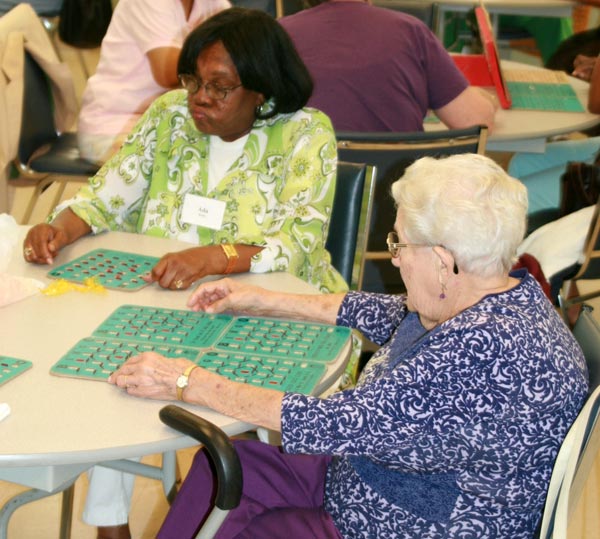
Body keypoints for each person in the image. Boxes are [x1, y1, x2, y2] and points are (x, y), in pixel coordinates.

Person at [109, 153, 589, 539]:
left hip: (398, 523)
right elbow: (386, 313)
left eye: (400, 245)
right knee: (230, 466)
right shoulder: (500, 291)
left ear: (445, 262)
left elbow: (325, 423)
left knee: (246, 523)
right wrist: (265, 300)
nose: (396, 259)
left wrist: (185, 380)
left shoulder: (479, 354)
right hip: (373, 482)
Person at [23, 8, 347, 538]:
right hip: (160, 304)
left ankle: (217, 508)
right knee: (118, 369)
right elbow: (108, 194)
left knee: (163, 378)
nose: (200, 98)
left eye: (220, 88)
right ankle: (111, 526)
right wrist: (61, 227)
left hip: (269, 310)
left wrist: (215, 257)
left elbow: (297, 243)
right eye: (195, 80)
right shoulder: (170, 115)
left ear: (262, 92)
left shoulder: (306, 133)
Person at [278, 0, 497, 133]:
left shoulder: (277, 34)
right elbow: (475, 121)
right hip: (398, 195)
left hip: (302, 195)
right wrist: (488, 100)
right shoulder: (411, 31)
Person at [77, 0, 231, 164]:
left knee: (243, 147)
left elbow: (239, 52)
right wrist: (212, 50)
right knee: (203, 163)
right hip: (114, 128)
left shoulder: (214, 4)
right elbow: (167, 73)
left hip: (171, 124)